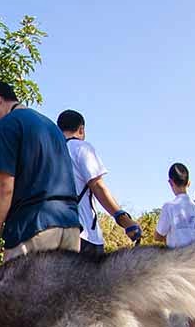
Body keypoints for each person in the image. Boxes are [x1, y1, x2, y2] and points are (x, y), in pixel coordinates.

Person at [0, 81, 81, 268]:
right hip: (70, 227)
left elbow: (3, 188)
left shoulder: (7, 124)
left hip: (33, 227)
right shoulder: (51, 127)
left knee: (15, 297)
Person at [56, 110, 141, 256]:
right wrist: (124, 220)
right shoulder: (81, 148)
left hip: (55, 234)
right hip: (84, 235)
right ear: (81, 129)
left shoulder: (51, 152)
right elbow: (97, 186)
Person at [155, 163, 195, 327]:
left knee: (175, 313)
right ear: (189, 182)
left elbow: (160, 233)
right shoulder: (194, 207)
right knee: (194, 311)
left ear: (170, 183)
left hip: (176, 262)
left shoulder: (169, 207)